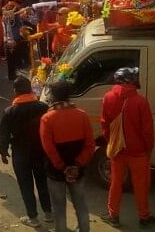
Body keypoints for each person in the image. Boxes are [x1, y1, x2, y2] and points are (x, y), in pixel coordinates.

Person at [100, 67, 155, 228]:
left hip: (118, 151)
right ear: (129, 81)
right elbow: (147, 131)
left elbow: (105, 125)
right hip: (138, 152)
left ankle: (113, 216)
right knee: (141, 185)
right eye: (134, 77)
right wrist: (148, 149)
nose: (136, 79)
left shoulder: (107, 97)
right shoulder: (140, 101)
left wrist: (112, 142)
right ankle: (144, 217)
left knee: (116, 183)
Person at [39, 81, 95, 232]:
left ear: (54, 97)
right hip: (79, 170)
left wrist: (62, 166)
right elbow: (90, 145)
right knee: (81, 205)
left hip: (55, 171)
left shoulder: (47, 118)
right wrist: (77, 165)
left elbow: (48, 147)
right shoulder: (82, 115)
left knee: (59, 209)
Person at [0, 77, 52, 227]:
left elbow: (4, 134)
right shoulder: (42, 107)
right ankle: (48, 213)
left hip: (20, 154)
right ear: (30, 90)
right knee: (42, 182)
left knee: (25, 185)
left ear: (15, 91)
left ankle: (33, 218)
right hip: (40, 152)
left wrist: (3, 152)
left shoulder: (9, 111)